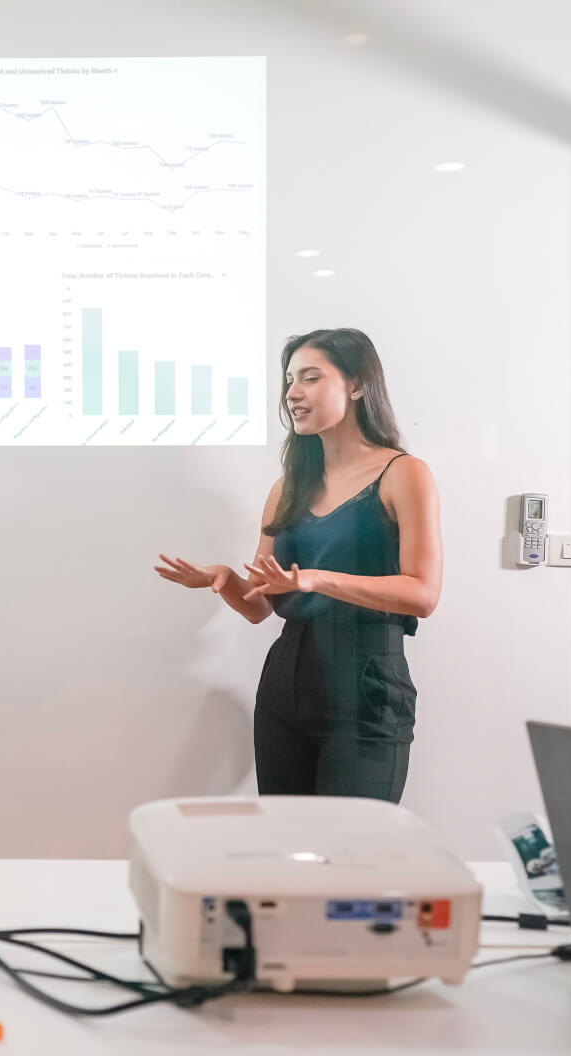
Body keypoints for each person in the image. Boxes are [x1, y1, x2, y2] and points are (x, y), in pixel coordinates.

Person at [156, 328, 442, 802]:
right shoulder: (287, 487)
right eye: (290, 380)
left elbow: (423, 594)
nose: (292, 393)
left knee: (351, 852)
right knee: (286, 848)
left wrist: (317, 579)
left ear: (356, 385)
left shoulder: (404, 473)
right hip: (286, 685)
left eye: (310, 378)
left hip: (367, 683)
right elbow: (258, 606)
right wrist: (226, 580)